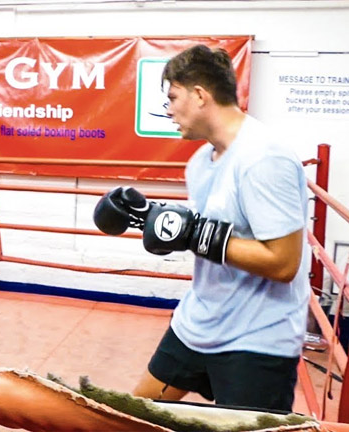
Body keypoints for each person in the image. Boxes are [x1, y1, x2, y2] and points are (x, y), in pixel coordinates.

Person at [93, 44, 310, 412]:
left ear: (199, 95)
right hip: (197, 324)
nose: (168, 109)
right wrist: (156, 221)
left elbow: (284, 263)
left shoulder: (264, 158)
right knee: (132, 417)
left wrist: (194, 233)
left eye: (173, 96)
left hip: (256, 340)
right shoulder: (199, 162)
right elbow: (207, 235)